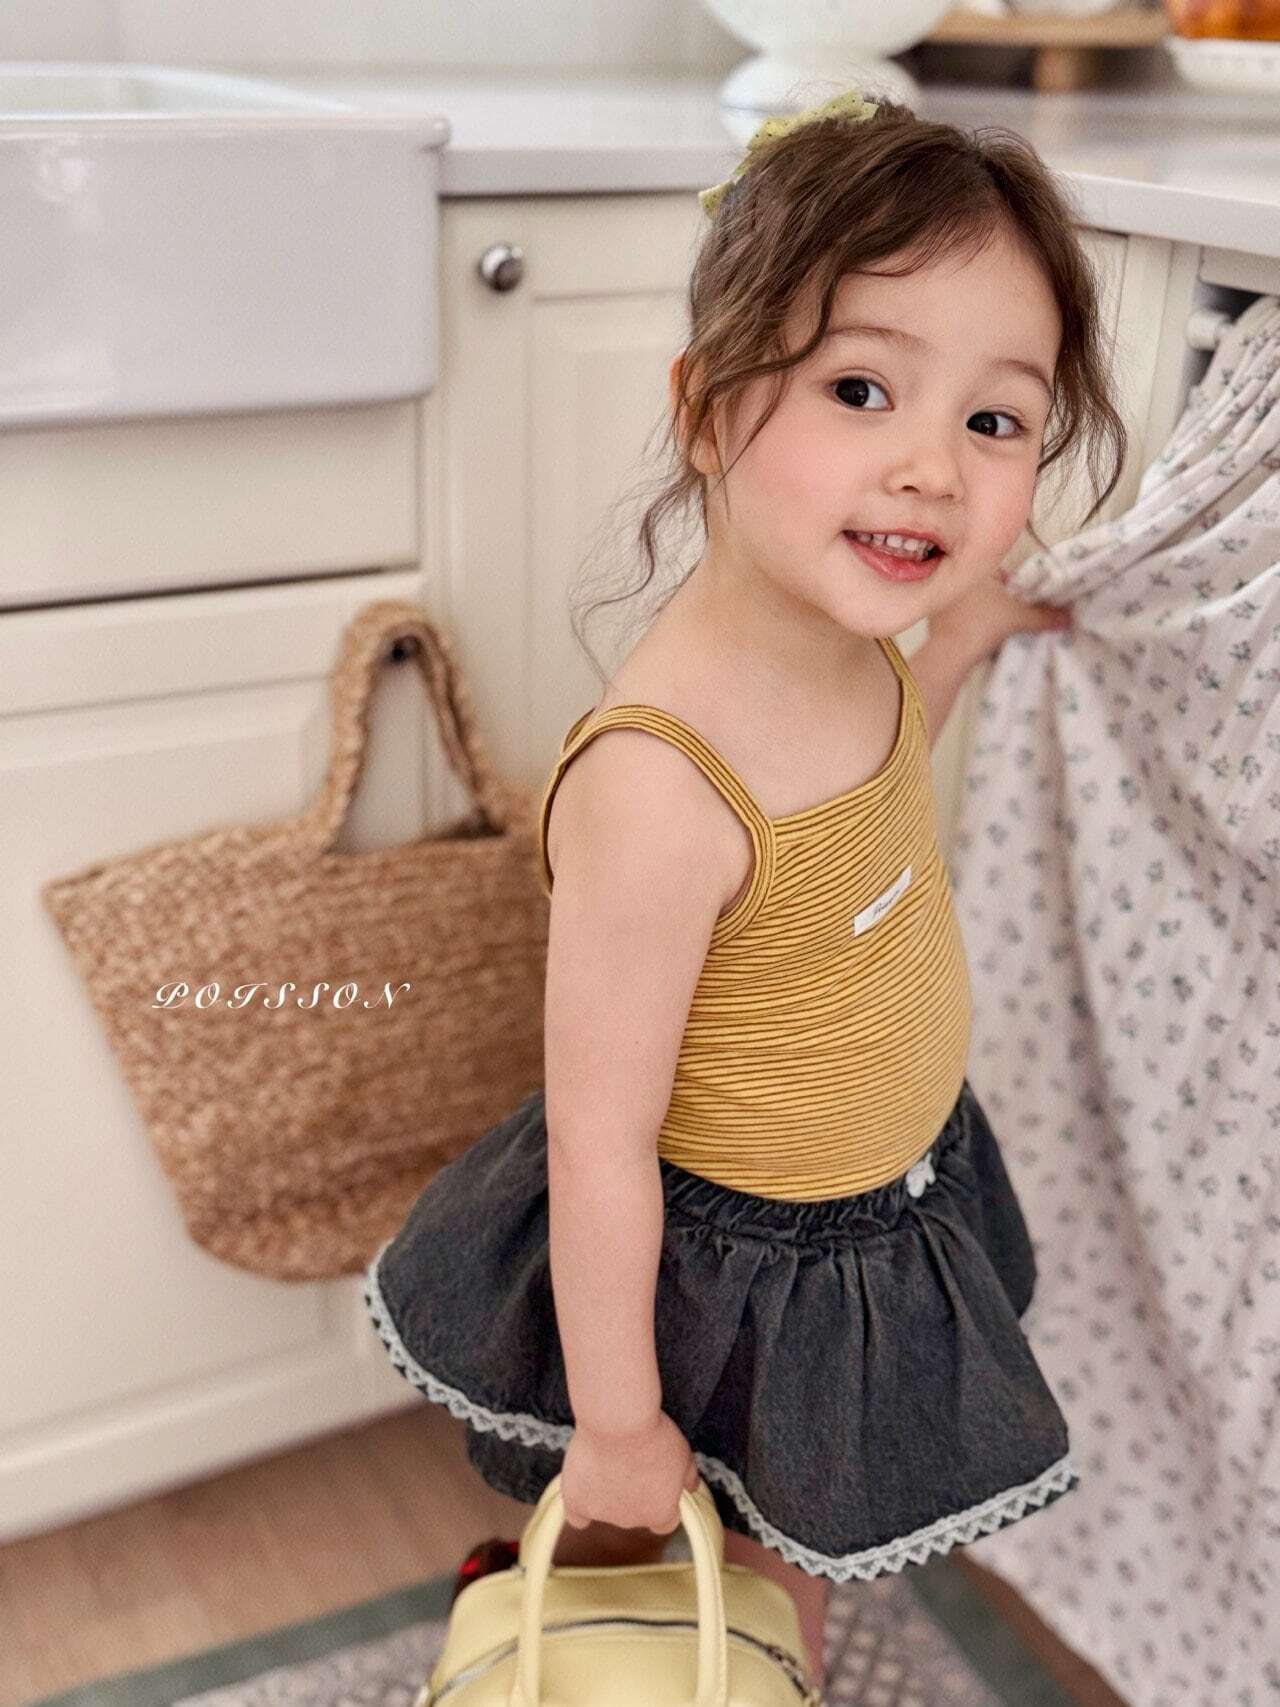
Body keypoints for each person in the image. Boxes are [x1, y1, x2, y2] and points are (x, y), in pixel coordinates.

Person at [364, 83, 1129, 1696]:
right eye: (862, 389)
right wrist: (620, 1419)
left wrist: (960, 644)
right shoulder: (660, 782)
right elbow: (601, 1138)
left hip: (882, 1202)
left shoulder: (857, 649)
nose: (932, 468)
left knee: (796, 1568)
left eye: (995, 422)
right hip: (732, 1274)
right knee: (739, 1563)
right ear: (708, 414)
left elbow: (865, 805)